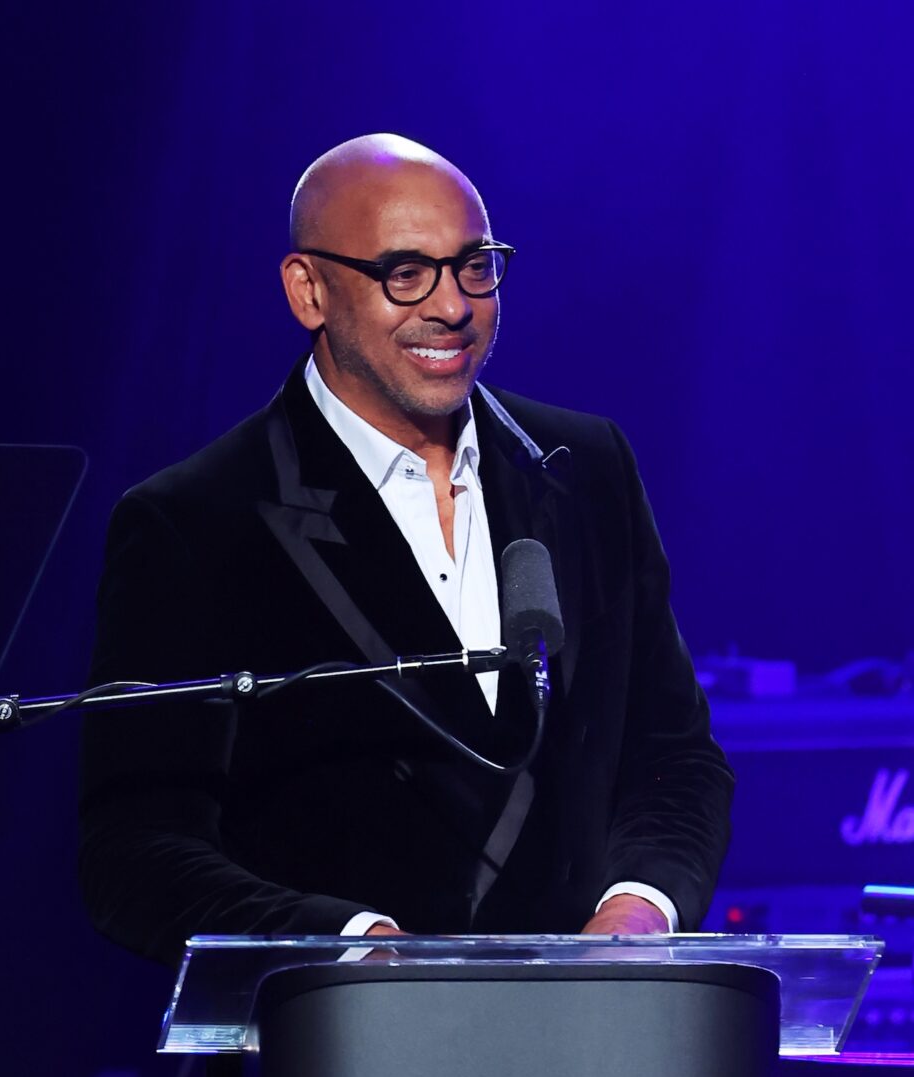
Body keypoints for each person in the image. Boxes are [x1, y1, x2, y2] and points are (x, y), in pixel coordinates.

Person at [79, 132, 732, 963]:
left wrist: (638, 907)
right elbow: (134, 853)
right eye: (404, 273)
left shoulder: (586, 470)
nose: (453, 306)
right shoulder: (198, 520)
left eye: (475, 266)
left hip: (593, 1042)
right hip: (342, 1056)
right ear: (308, 290)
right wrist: (356, 944)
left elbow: (675, 759)